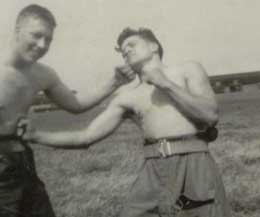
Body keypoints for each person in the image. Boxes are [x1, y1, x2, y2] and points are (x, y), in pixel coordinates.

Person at [23, 27, 231, 216]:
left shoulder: (187, 69)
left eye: (132, 45)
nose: (126, 51)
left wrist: (165, 84)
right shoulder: (126, 96)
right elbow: (85, 137)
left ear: (154, 45)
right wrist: (36, 135)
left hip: (194, 164)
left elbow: (210, 115)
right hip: (154, 171)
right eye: (123, 50)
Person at [0, 4, 134, 217]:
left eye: (48, 40)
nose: (42, 45)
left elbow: (76, 104)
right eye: (36, 35)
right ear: (16, 31)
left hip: (22, 160)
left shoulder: (43, 74)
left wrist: (114, 83)